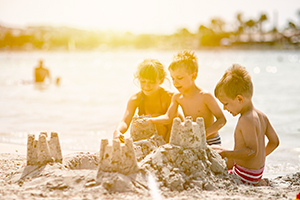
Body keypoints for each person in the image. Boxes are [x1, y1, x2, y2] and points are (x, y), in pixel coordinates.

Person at [213, 64, 280, 186]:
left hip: (243, 175)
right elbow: (275, 142)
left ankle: (252, 180)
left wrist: (227, 154)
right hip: (254, 173)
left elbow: (251, 151)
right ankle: (255, 179)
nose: (224, 108)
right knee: (214, 149)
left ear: (239, 99)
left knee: (216, 161)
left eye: (226, 103)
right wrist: (260, 158)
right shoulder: (262, 116)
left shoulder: (246, 119)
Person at [147, 50, 226, 145]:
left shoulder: (205, 96)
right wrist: (150, 120)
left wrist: (205, 133)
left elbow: (222, 119)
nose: (175, 82)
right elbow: (168, 117)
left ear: (193, 76)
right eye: (173, 78)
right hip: (192, 140)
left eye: (179, 78)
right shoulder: (177, 97)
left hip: (211, 140)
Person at [113, 58, 181, 142]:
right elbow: (125, 121)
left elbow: (174, 121)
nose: (146, 86)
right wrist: (117, 131)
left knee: (162, 121)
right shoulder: (136, 99)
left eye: (151, 82)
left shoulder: (169, 97)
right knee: (136, 123)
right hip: (148, 139)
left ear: (161, 80)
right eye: (143, 81)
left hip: (170, 136)